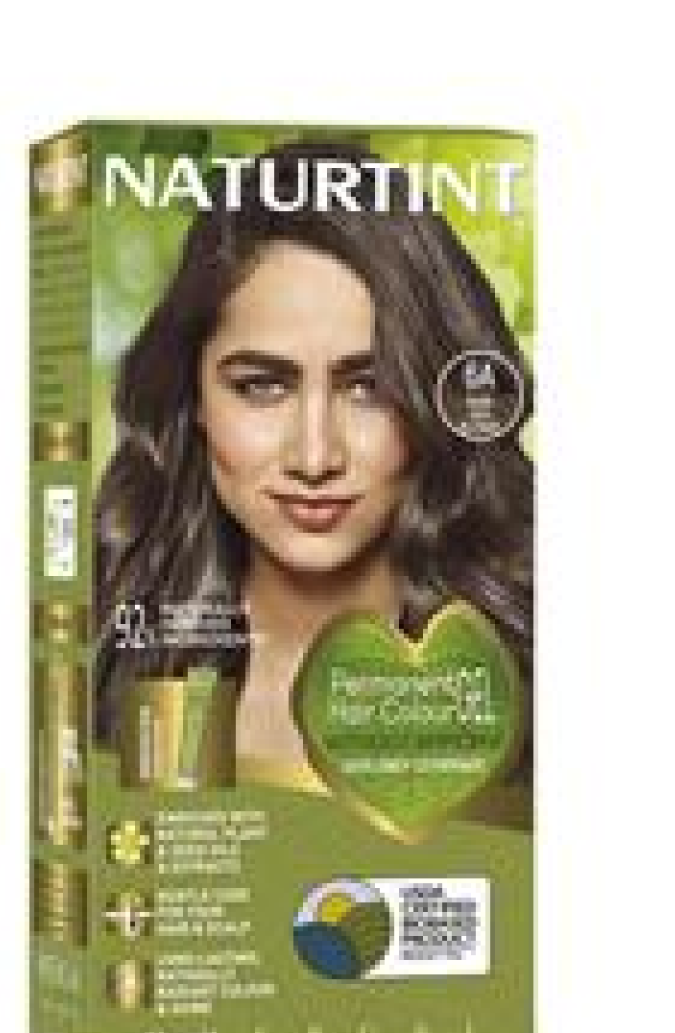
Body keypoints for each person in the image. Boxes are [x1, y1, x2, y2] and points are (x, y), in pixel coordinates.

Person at [95, 140, 533, 770]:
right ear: (191, 396)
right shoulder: (109, 653)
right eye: (261, 386)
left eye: (370, 389)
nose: (315, 456)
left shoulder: (530, 665)